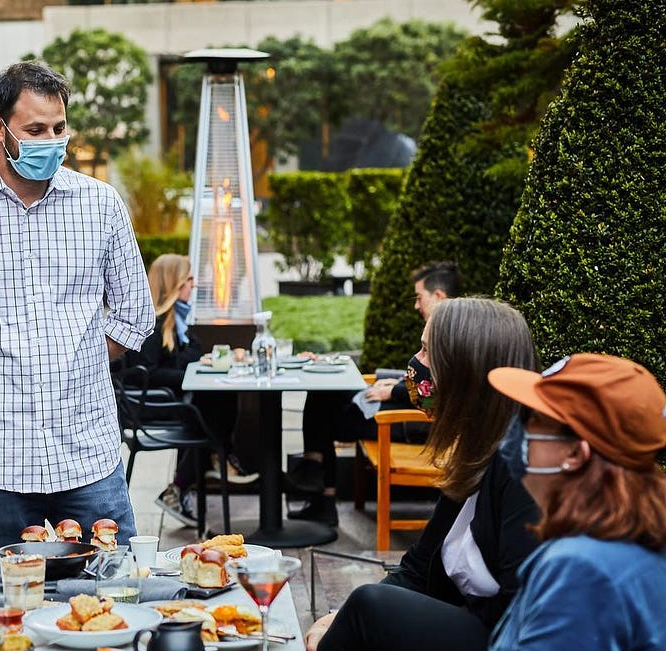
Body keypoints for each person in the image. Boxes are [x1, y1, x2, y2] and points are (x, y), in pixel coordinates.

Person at [0, 60, 155, 553]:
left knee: (114, 589)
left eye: (59, 128)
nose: (52, 141)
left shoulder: (101, 205)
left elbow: (135, 315)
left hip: (88, 456)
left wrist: (76, 356)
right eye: (36, 130)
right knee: (9, 596)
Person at [305, 298, 541, 651]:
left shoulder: (520, 467)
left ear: (464, 367)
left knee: (370, 605)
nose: (415, 364)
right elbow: (418, 566)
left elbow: (524, 611)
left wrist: (364, 615)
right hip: (475, 624)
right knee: (362, 607)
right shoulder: (475, 451)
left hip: (504, 638)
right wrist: (342, 615)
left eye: (427, 351)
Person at [487, 353, 666, 650]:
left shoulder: (580, 569)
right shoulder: (638, 537)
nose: (520, 433)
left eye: (533, 420)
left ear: (575, 454)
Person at [288, 261, 462, 525]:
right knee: (324, 393)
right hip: (406, 410)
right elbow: (431, 379)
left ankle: (317, 484)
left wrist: (395, 391)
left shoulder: (451, 334)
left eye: (419, 297)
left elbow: (437, 391)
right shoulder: (451, 328)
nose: (416, 305)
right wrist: (395, 383)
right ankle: (317, 484)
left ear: (438, 296)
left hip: (412, 423)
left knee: (324, 410)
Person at [122, 254, 256, 527]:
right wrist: (189, 375)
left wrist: (198, 364)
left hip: (170, 400)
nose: (194, 285)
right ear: (173, 283)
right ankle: (217, 459)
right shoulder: (152, 325)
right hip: (151, 407)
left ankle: (207, 467)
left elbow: (192, 352)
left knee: (218, 397)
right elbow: (148, 374)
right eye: (189, 279)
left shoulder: (177, 322)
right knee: (211, 412)